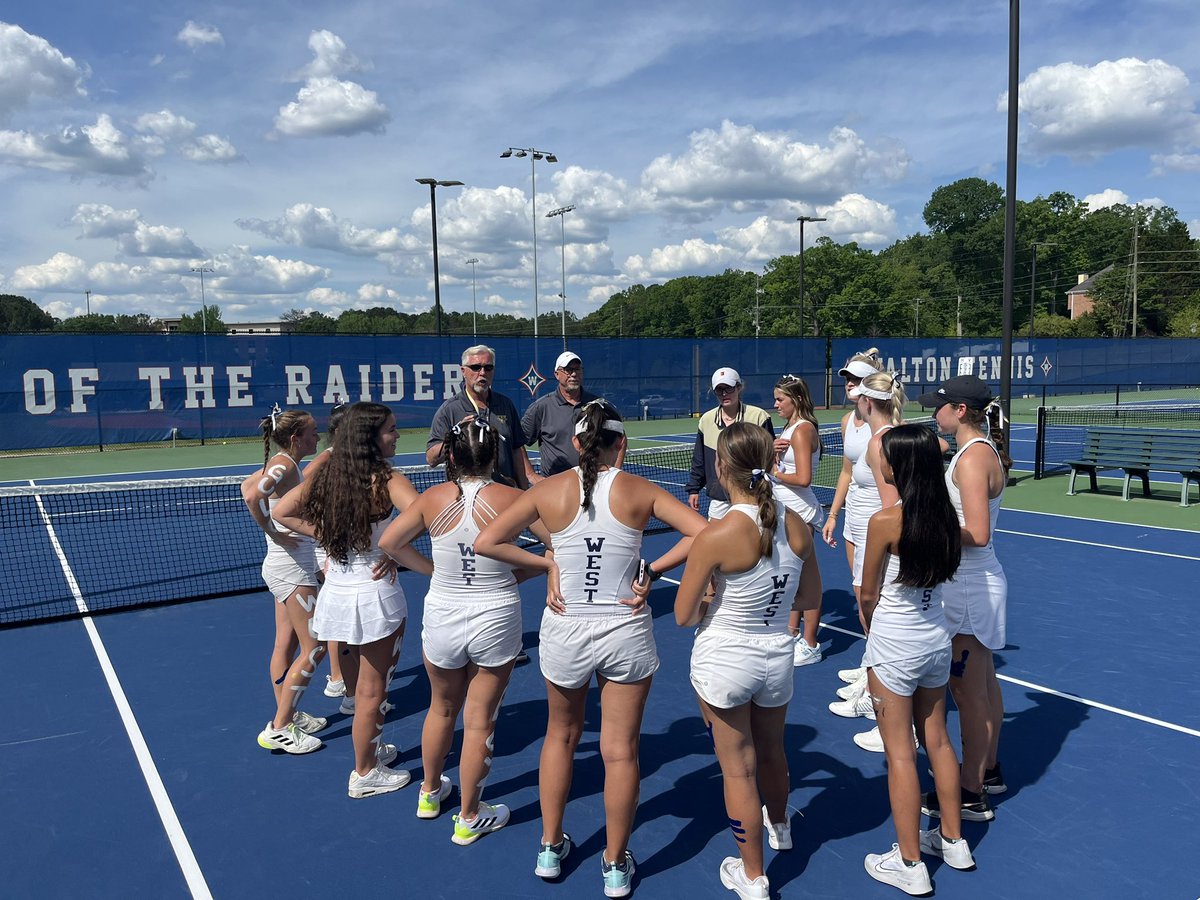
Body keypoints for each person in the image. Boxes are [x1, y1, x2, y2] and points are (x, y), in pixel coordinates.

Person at [474, 399, 705, 899]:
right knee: (620, 751)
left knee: (560, 737)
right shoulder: (640, 489)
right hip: (625, 631)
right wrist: (654, 570)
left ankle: (549, 847)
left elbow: (487, 541)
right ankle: (615, 864)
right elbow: (705, 534)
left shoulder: (547, 490)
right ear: (620, 443)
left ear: (577, 443)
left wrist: (548, 564)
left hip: (565, 631)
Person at [378, 413, 553, 844]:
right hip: (496, 615)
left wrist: (433, 571)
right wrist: (523, 573)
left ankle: (429, 793)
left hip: (443, 613)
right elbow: (557, 546)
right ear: (494, 455)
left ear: (452, 457)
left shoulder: (432, 498)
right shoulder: (514, 498)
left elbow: (389, 543)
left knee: (440, 708)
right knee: (479, 721)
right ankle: (470, 816)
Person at [675, 422, 822, 900]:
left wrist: (713, 597)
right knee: (773, 750)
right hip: (777, 657)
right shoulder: (796, 523)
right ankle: (780, 826)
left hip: (725, 660)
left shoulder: (717, 534)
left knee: (738, 771)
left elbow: (684, 615)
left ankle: (753, 876)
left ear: (721, 467)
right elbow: (810, 596)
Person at [274, 401, 433, 798]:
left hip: (338, 594)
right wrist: (391, 548)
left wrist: (329, 536)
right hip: (376, 597)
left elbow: (282, 511)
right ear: (370, 437)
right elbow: (429, 515)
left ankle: (370, 751)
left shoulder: (327, 474)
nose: (397, 435)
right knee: (372, 691)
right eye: (391, 429)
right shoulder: (387, 479)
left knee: (363, 688)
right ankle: (365, 772)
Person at [860, 424, 976, 895]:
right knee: (939, 741)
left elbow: (868, 593)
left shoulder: (886, 521)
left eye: (887, 455)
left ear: (901, 465)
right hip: (935, 643)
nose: (881, 461)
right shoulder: (948, 518)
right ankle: (954, 841)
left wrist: (874, 628)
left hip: (895, 648)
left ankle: (909, 863)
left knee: (900, 754)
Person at [918, 375, 1010, 822]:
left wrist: (925, 531)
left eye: (939, 406)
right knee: (985, 684)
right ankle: (987, 769)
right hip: (974, 583)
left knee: (968, 692)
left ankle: (970, 791)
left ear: (959, 411)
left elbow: (977, 532)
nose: (933, 413)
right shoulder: (976, 451)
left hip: (969, 586)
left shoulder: (972, 459)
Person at [241, 406, 327, 754]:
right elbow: (254, 495)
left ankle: (287, 714)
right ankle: (279, 728)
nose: (317, 436)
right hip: (293, 570)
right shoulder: (285, 464)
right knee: (315, 647)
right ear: (296, 438)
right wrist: (273, 532)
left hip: (286, 568)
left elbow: (247, 485)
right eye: (313, 432)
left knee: (286, 645)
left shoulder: (284, 462)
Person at [827, 371, 906, 744]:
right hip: (866, 535)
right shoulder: (879, 437)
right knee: (868, 614)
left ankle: (887, 710)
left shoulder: (882, 442)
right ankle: (874, 690)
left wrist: (881, 548)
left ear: (868, 401)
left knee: (874, 615)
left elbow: (892, 508)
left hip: (878, 542)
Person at [769, 374, 826, 667]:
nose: (776, 404)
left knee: (805, 578)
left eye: (781, 399)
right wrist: (773, 456)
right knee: (791, 576)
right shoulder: (789, 427)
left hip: (800, 511)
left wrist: (775, 474)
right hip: (785, 509)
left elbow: (804, 478)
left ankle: (811, 643)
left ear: (797, 399)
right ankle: (791, 632)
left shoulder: (802, 430)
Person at [427, 345, 531, 489]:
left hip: (505, 493)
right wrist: (454, 436)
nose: (482, 373)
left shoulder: (505, 404)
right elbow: (431, 459)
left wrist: (524, 489)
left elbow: (516, 450)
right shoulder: (449, 410)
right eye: (476, 367)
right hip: (466, 497)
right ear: (463, 371)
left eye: (488, 368)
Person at [522, 350, 626, 482]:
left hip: (592, 482)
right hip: (556, 485)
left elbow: (620, 436)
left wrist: (614, 471)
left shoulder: (598, 405)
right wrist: (530, 474)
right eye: (568, 370)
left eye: (577, 369)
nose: (574, 374)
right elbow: (517, 442)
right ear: (557, 374)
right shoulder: (541, 407)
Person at [686, 367, 774, 520]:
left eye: (729, 388)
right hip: (719, 499)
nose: (724, 394)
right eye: (719, 390)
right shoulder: (706, 420)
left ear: (739, 387)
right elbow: (699, 460)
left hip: (753, 497)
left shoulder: (759, 417)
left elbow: (769, 459)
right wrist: (694, 489)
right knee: (715, 535)